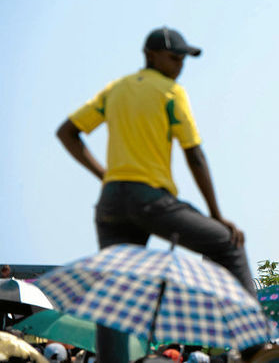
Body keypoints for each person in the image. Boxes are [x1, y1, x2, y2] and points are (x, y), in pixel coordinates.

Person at [56, 27, 256, 363]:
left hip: (111, 203)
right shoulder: (170, 92)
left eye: (183, 59)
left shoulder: (115, 90)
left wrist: (106, 176)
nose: (179, 65)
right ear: (150, 55)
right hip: (150, 199)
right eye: (174, 57)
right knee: (226, 243)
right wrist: (216, 214)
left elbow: (68, 132)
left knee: (115, 290)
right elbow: (194, 154)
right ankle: (257, 347)